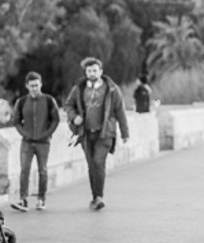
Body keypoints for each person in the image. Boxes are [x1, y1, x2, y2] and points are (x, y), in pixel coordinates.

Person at [65, 57, 130, 211]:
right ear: (85, 72)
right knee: (91, 165)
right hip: (86, 134)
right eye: (89, 71)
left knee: (98, 163)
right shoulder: (79, 88)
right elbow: (69, 105)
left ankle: (99, 196)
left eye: (95, 70)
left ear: (101, 71)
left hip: (105, 133)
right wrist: (75, 117)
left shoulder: (112, 89)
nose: (92, 73)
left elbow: (120, 111)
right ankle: (95, 196)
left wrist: (125, 133)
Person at [11, 71, 61, 212]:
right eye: (32, 86)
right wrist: (25, 133)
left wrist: (46, 133)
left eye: (37, 85)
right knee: (24, 170)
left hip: (43, 142)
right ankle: (23, 199)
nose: (34, 88)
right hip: (27, 142)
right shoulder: (21, 102)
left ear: (41, 84)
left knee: (43, 170)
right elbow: (16, 121)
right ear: (27, 86)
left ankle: (41, 199)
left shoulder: (49, 100)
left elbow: (56, 119)